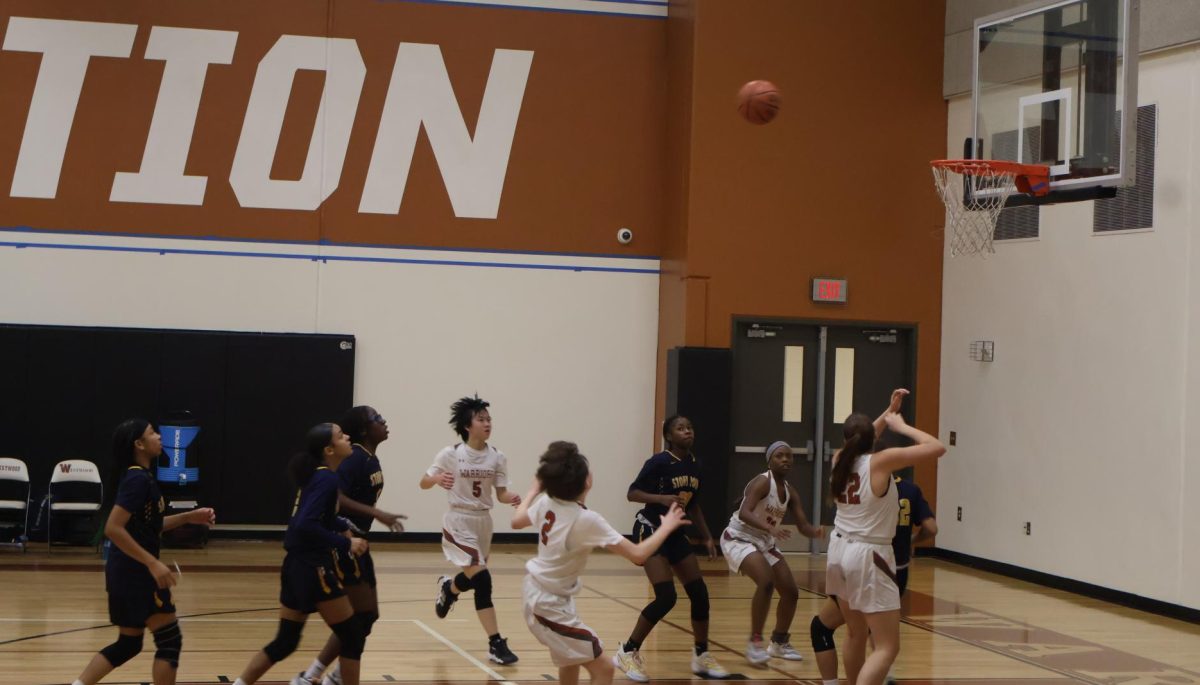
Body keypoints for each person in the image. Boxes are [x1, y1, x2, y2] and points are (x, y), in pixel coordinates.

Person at [512, 441, 691, 685]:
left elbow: (517, 521)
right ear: (587, 481)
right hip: (548, 605)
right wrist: (666, 527)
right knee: (605, 669)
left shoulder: (548, 503)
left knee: (570, 663)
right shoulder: (586, 520)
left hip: (540, 594)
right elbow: (638, 554)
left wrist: (534, 490)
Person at [70, 419, 216, 685]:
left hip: (124, 573)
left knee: (129, 644)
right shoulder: (137, 478)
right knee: (170, 640)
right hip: (136, 574)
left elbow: (150, 527)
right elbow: (113, 528)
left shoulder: (139, 477)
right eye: (152, 433)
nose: (160, 437)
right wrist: (153, 564)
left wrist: (189, 517)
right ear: (139, 444)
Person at [232, 424, 369, 685]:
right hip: (312, 566)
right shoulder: (327, 479)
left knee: (286, 641)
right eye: (341, 436)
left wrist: (342, 526)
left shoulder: (318, 476)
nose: (348, 437)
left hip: (294, 566)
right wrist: (345, 544)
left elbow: (318, 517)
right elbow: (305, 524)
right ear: (329, 450)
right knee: (352, 635)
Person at [824, 390, 945, 685]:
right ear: (874, 441)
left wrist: (886, 412)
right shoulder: (881, 461)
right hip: (869, 555)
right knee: (888, 646)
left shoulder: (839, 459)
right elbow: (937, 447)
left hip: (838, 550)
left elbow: (863, 438)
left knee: (855, 633)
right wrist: (900, 425)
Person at [613, 415, 727, 682]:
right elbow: (633, 493)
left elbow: (693, 505)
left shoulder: (695, 465)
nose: (687, 431)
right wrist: (661, 498)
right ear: (669, 436)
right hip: (650, 528)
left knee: (699, 593)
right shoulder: (659, 462)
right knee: (666, 597)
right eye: (681, 428)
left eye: (690, 427)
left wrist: (708, 537)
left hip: (675, 533)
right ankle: (627, 651)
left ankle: (701, 656)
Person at [299, 406, 407, 685]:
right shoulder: (355, 457)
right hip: (345, 541)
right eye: (377, 419)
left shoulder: (370, 458)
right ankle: (316, 676)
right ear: (363, 429)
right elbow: (336, 497)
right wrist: (377, 514)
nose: (384, 421)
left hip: (360, 540)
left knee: (368, 616)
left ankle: (325, 675)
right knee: (357, 619)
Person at [420, 395, 521, 665]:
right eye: (481, 419)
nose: (487, 423)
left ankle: (449, 589)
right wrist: (437, 478)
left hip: (483, 522)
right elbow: (423, 482)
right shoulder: (451, 454)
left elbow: (499, 493)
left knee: (475, 576)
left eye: (489, 419)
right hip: (458, 520)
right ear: (468, 425)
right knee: (484, 581)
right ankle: (495, 643)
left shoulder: (497, 457)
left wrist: (511, 497)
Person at [811, 469, 936, 685]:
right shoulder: (910, 489)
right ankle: (885, 674)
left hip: (869, 565)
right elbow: (931, 528)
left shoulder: (861, 485)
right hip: (899, 570)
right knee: (875, 634)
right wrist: (911, 541)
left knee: (832, 629)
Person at [719, 441, 824, 666]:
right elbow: (745, 512)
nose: (785, 459)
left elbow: (803, 525)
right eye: (780, 456)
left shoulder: (790, 491)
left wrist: (815, 532)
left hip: (764, 541)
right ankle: (755, 642)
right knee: (766, 581)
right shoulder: (761, 482)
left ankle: (778, 643)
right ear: (769, 460)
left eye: (789, 456)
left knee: (791, 592)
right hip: (739, 537)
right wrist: (770, 528)